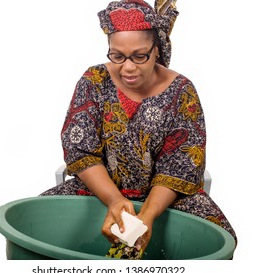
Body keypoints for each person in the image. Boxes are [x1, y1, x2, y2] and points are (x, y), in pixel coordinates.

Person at [41, 0, 237, 259]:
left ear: (157, 49)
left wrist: (147, 215)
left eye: (139, 56)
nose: (128, 67)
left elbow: (181, 165)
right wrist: (113, 200)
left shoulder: (182, 93)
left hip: (168, 199)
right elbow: (79, 151)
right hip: (99, 190)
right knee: (43, 227)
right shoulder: (94, 81)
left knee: (220, 243)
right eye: (118, 56)